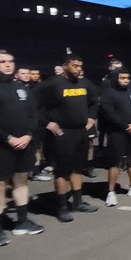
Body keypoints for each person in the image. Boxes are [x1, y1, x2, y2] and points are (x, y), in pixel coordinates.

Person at [0, 50, 44, 245]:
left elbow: (33, 113)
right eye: (2, 61)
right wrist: (7, 138)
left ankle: (22, 221)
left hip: (24, 143)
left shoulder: (20, 87)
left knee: (21, 181)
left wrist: (29, 134)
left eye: (10, 61)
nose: (8, 65)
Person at [37, 55, 99, 222]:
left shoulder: (84, 83)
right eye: (74, 65)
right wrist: (47, 123)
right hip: (61, 134)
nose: (78, 69)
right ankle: (62, 206)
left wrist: (91, 119)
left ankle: (78, 202)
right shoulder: (51, 84)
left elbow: (94, 102)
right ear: (64, 66)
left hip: (80, 132)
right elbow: (34, 106)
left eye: (80, 66)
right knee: (62, 171)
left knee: (78, 169)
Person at [99, 68, 131, 206]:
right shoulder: (108, 94)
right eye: (122, 78)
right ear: (116, 78)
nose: (125, 80)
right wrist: (124, 125)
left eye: (127, 77)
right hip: (117, 132)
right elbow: (108, 113)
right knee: (115, 162)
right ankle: (110, 192)